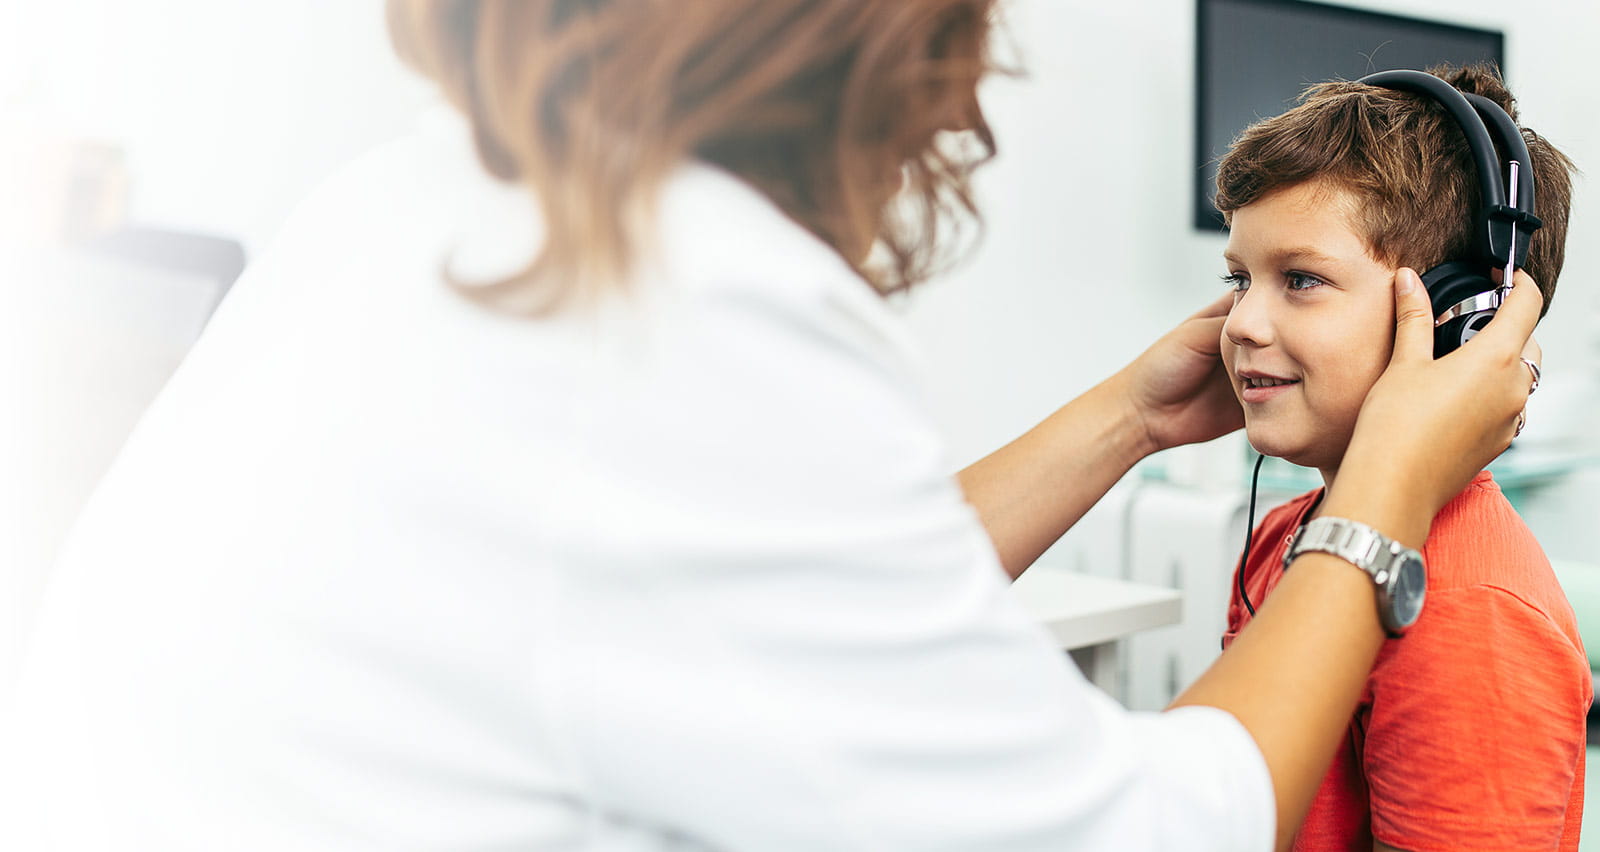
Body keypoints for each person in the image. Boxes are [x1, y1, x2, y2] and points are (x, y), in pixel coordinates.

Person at [4, 3, 1544, 850]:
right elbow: (1124, 835)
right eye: (950, 55)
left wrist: (1133, 424)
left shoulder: (409, 208)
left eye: (1305, 282)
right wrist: (1381, 500)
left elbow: (781, 597)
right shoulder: (670, 300)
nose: (965, 122)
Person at [1213, 64, 1588, 851]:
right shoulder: (1283, 533)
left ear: (1460, 322)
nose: (1241, 320)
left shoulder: (1468, 608)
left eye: (1302, 279)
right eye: (1239, 278)